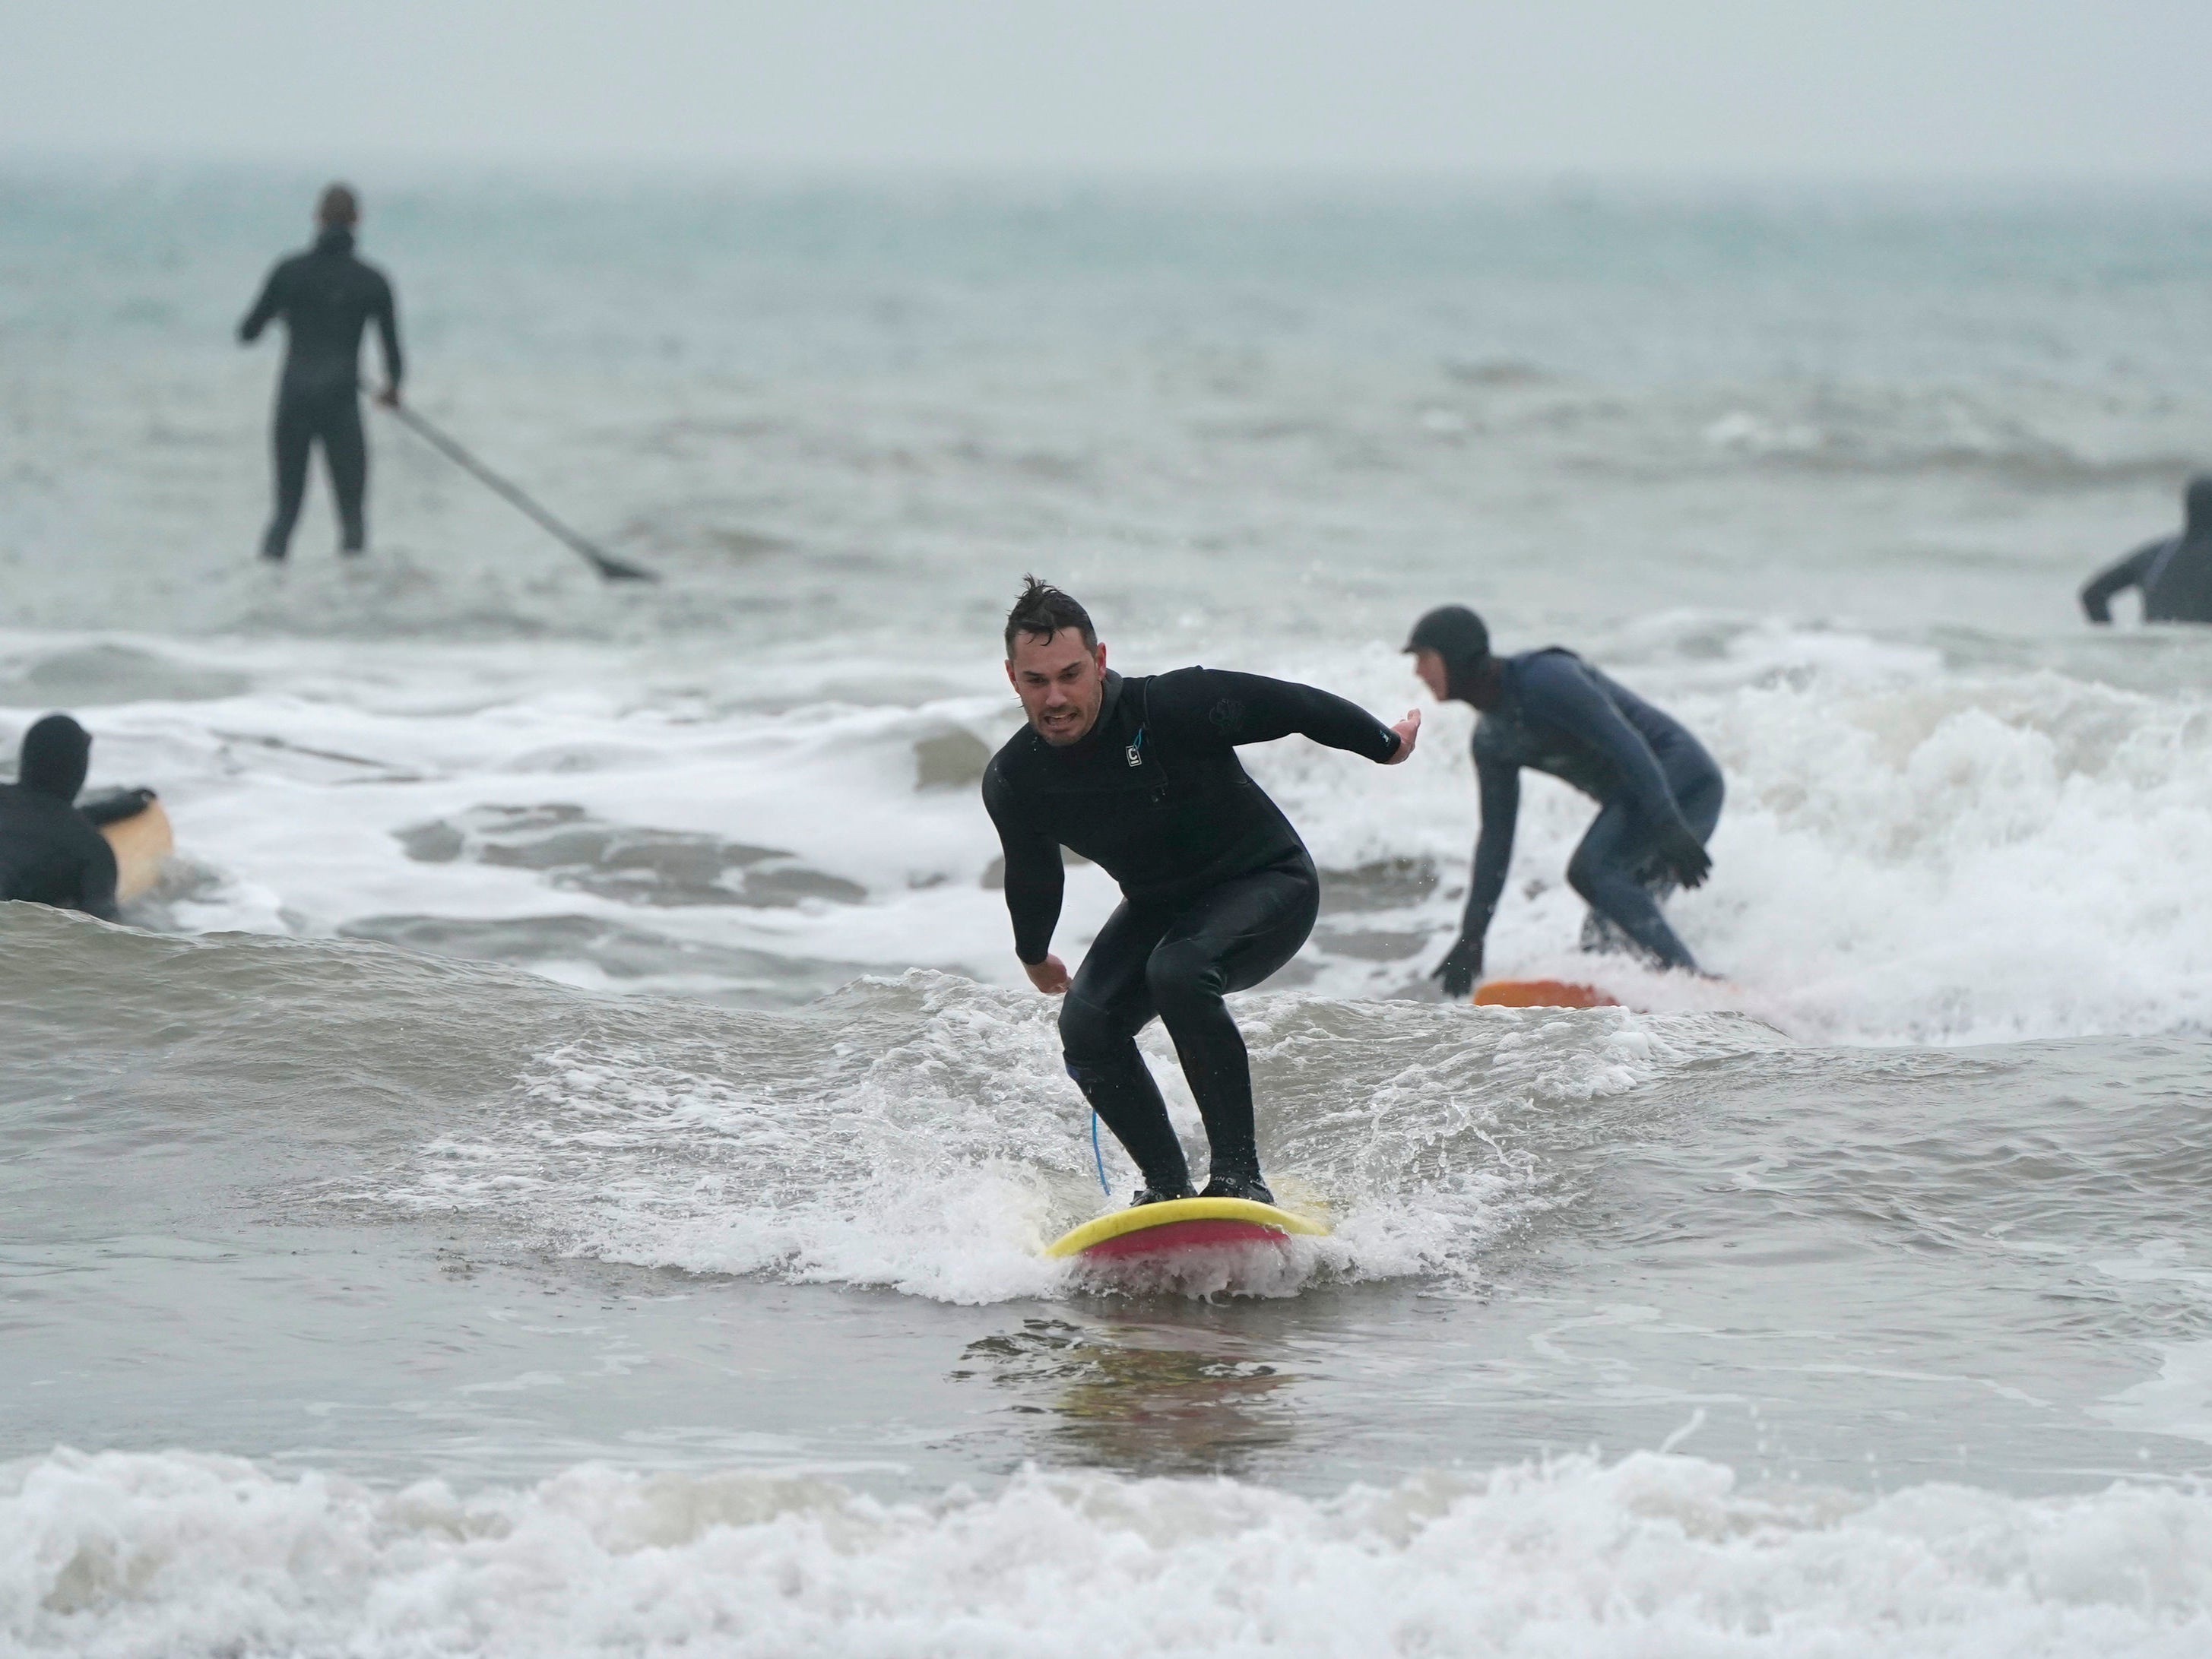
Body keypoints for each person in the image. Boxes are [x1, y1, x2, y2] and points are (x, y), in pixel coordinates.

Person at [983, 578, 1420, 1207]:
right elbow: (1032, 870)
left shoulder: (1173, 706)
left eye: (1071, 674)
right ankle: (1166, 1190)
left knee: (1179, 969)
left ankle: (1241, 1177)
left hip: (1269, 883)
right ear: (1011, 677)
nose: (1055, 697)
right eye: (1036, 681)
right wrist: (1033, 952)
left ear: (1101, 661)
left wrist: (1384, 745)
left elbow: (1292, 705)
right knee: (1086, 1026)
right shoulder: (1016, 777)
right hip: (1160, 907)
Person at [1405, 606, 1722, 996]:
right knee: (1602, 939)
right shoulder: (1492, 740)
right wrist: (1473, 936)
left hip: (1682, 781)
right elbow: (1496, 840)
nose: (1418, 672)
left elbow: (1629, 746)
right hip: (1651, 801)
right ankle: (1656, 1001)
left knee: (1592, 870)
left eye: (1424, 658)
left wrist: (1669, 823)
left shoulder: (1546, 679)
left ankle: (1693, 982)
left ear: (1456, 655)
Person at [239, 182, 404, 562]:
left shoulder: (288, 272)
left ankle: (267, 598)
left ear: (317, 218)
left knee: (285, 514)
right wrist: (392, 390)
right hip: (341, 403)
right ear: (358, 221)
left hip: (293, 400)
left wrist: (282, 314)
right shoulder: (372, 281)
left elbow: (247, 333)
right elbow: (393, 352)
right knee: (352, 521)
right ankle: (352, 604)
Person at [0, 714, 154, 922]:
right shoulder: (90, 849)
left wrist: (111, 809)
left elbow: (26, 821)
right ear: (80, 764)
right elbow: (104, 929)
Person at [2081, 476, 2212, 625]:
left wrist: (2111, 641)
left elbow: (2093, 595)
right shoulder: (2158, 554)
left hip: (2158, 644)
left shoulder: (2159, 555)